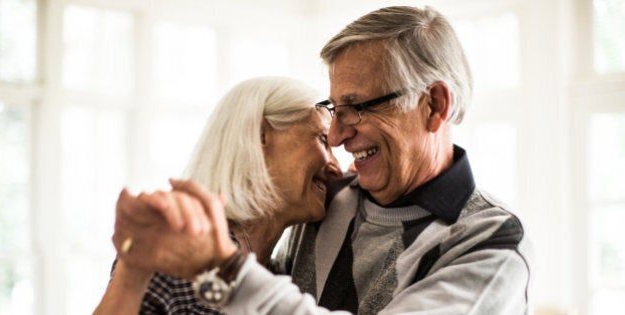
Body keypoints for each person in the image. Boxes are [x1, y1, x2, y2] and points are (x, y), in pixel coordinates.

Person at [108, 5, 532, 315]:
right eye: (333, 111)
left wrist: (223, 270)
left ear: (434, 105)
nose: (336, 136)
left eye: (357, 107)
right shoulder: (332, 200)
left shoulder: (490, 241)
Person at [93, 76, 343, 314]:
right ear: (260, 135)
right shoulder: (179, 247)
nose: (337, 169)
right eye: (323, 140)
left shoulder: (280, 278)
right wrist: (132, 269)